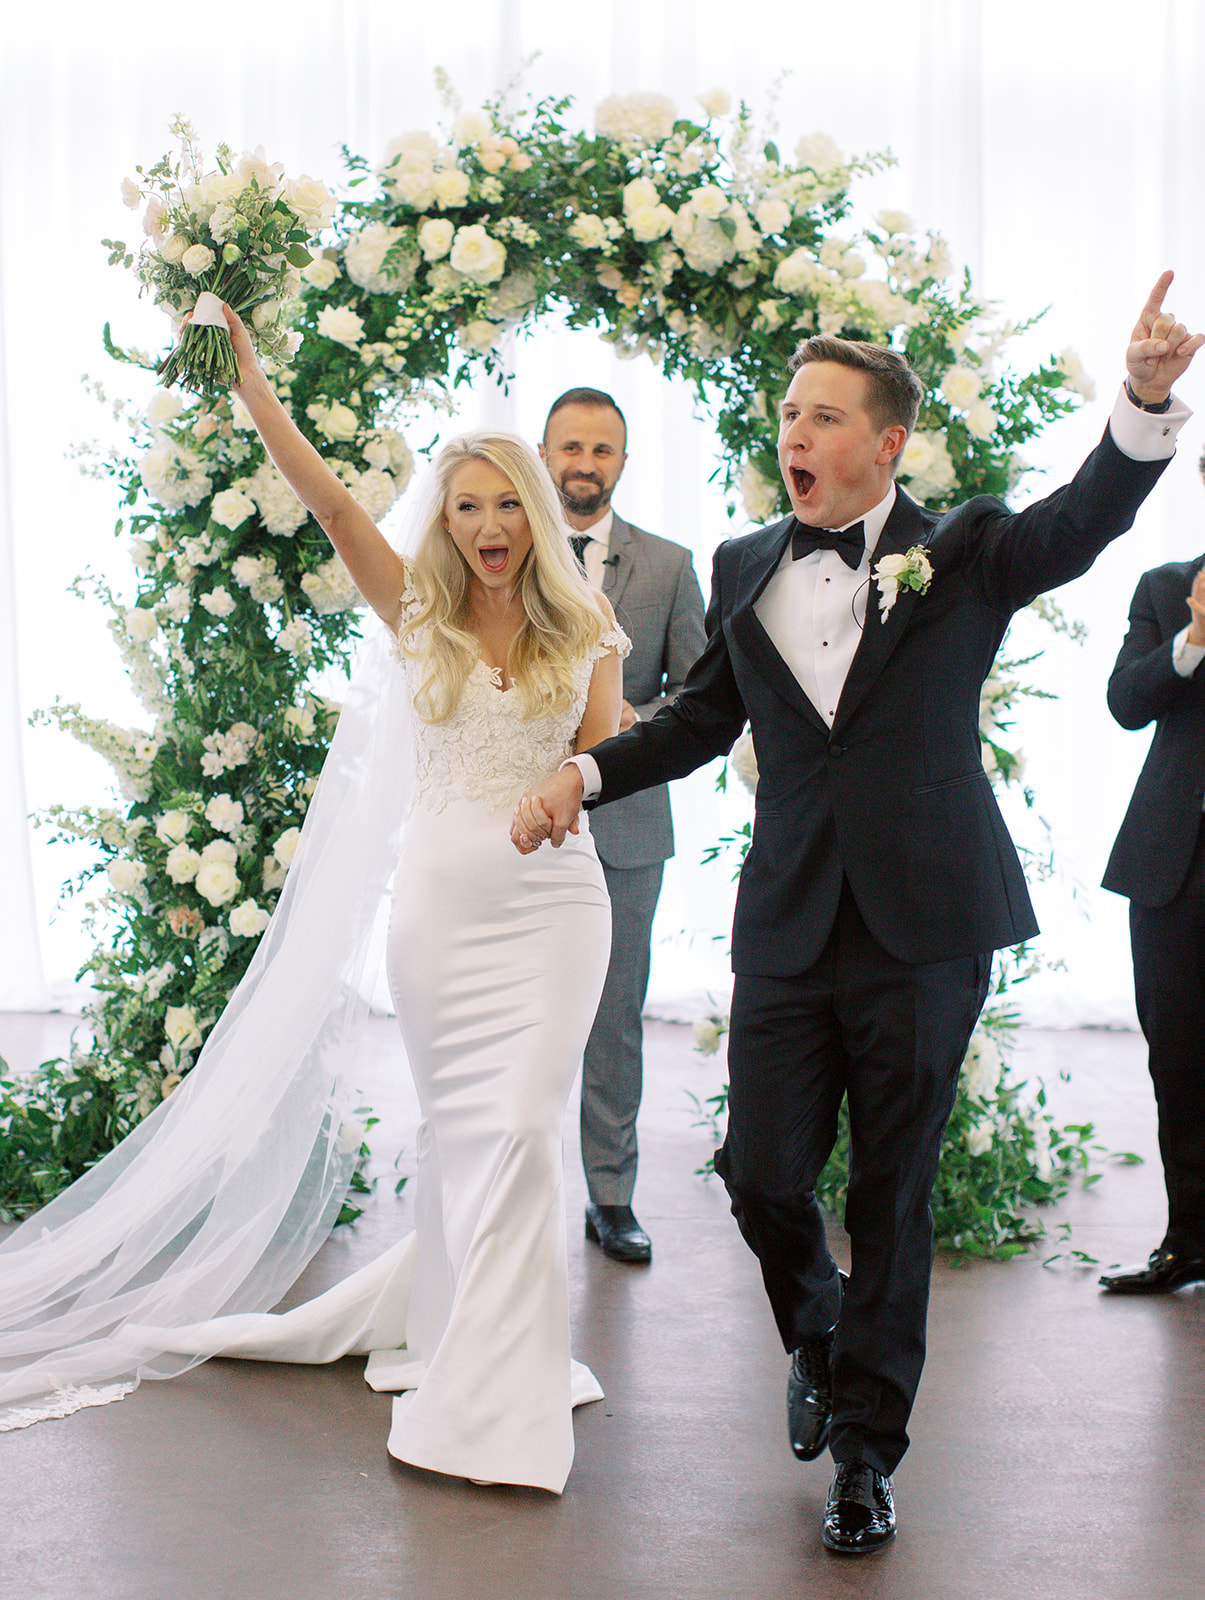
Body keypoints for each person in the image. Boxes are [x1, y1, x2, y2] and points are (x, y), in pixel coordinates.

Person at [512, 273, 1201, 1551]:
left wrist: (1142, 404)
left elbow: (1078, 523)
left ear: (885, 443)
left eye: (824, 417)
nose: (794, 436)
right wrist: (586, 769)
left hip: (926, 925)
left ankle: (864, 1455)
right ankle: (821, 1330)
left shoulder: (970, 548)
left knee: (891, 1188)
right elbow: (702, 713)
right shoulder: (741, 563)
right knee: (757, 1171)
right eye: (787, 413)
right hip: (788, 921)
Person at [0, 306, 630, 1496]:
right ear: (445, 524)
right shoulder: (416, 611)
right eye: (466, 507)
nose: (487, 525)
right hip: (441, 918)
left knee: (518, 1133)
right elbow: (336, 504)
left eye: (506, 504)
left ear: (535, 517)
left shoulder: (587, 623)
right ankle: (457, 1340)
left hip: (554, 915)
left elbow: (608, 759)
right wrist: (250, 385)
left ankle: (496, 1399)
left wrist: (575, 773)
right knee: (462, 1138)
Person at [539, 387, 706, 1263]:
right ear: (543, 455)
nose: (584, 463)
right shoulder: (503, 551)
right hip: (517, 821)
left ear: (622, 463)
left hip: (628, 826)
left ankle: (611, 1198)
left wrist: (628, 727)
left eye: (601, 449)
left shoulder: (671, 566)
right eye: (570, 447)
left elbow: (704, 696)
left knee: (614, 1017)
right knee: (514, 1014)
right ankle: (507, 1194)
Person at [1099, 455, 1205, 1295]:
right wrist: (1193, 641)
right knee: (1177, 1058)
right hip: (1174, 863)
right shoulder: (1166, 587)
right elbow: (1125, 702)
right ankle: (1189, 1240)